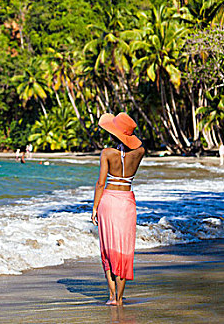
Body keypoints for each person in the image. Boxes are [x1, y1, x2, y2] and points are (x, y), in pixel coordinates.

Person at [91, 112, 145, 306]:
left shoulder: (107, 153)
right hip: (127, 202)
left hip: (109, 201)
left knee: (108, 248)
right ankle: (121, 298)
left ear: (113, 133)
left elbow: (100, 183)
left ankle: (112, 296)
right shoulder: (140, 153)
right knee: (124, 249)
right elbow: (135, 147)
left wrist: (95, 207)